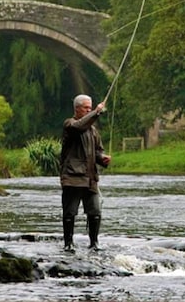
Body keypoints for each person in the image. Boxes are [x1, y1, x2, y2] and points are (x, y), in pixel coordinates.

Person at [60, 94, 111, 252]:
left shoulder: (93, 131)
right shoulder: (70, 124)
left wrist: (103, 159)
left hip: (90, 178)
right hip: (72, 177)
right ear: (77, 109)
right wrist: (96, 112)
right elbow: (79, 127)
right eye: (86, 108)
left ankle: (94, 243)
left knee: (95, 211)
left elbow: (98, 151)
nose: (89, 110)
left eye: (90, 108)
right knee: (70, 212)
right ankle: (68, 244)